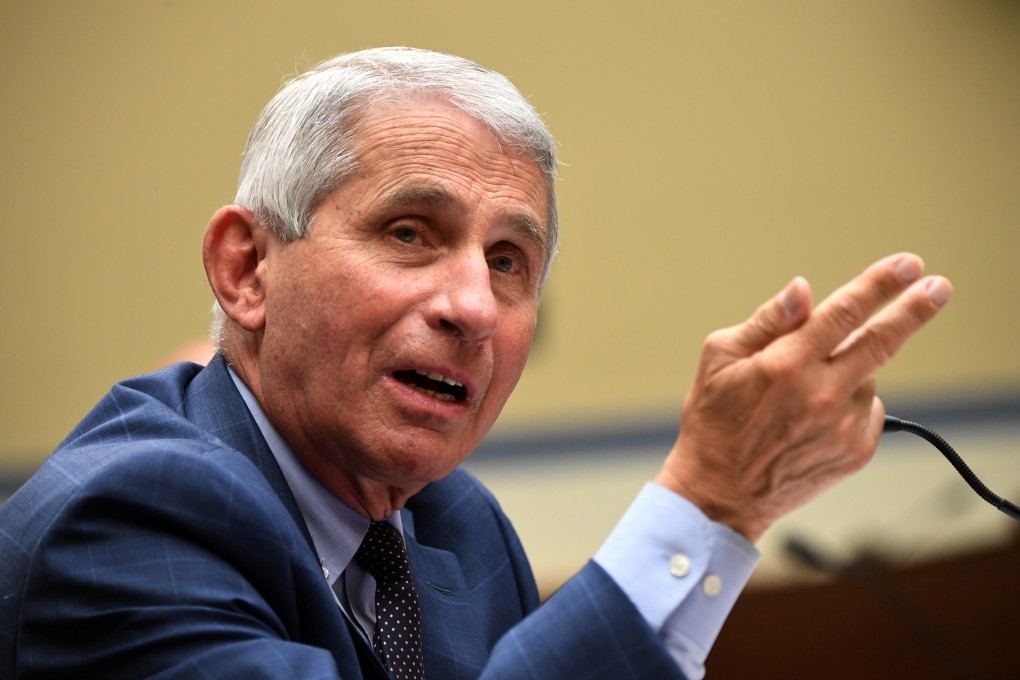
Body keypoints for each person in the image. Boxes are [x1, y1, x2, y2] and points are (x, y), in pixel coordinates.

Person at [0, 47, 952, 679]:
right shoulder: (125, 522)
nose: (472, 308)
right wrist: (706, 504)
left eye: (508, 262)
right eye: (410, 232)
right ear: (247, 269)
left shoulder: (458, 528)